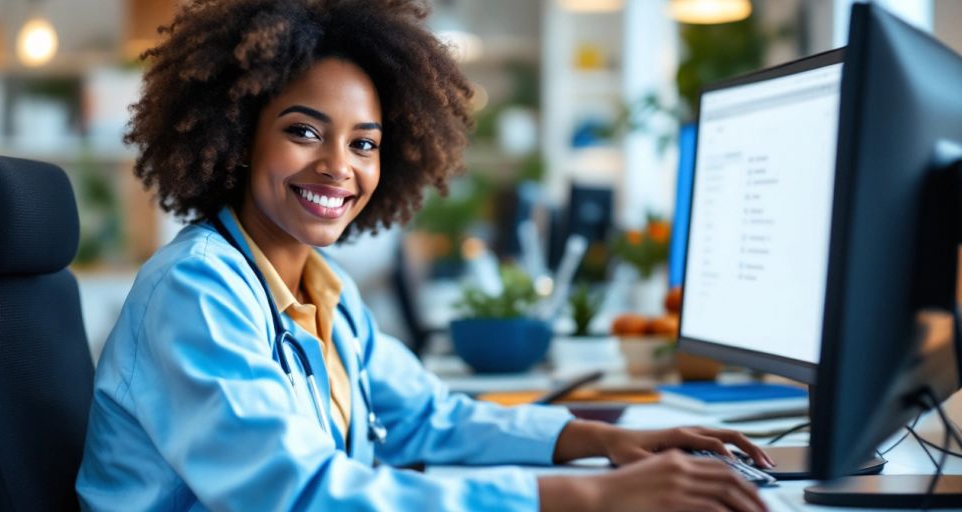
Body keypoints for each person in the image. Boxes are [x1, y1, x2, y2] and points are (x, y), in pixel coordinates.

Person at [76, 1, 773, 510]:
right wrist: (592, 494)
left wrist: (597, 441)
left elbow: (428, 417)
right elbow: (302, 495)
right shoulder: (195, 290)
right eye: (303, 131)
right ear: (237, 134)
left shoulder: (327, 291)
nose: (337, 166)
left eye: (365, 143)